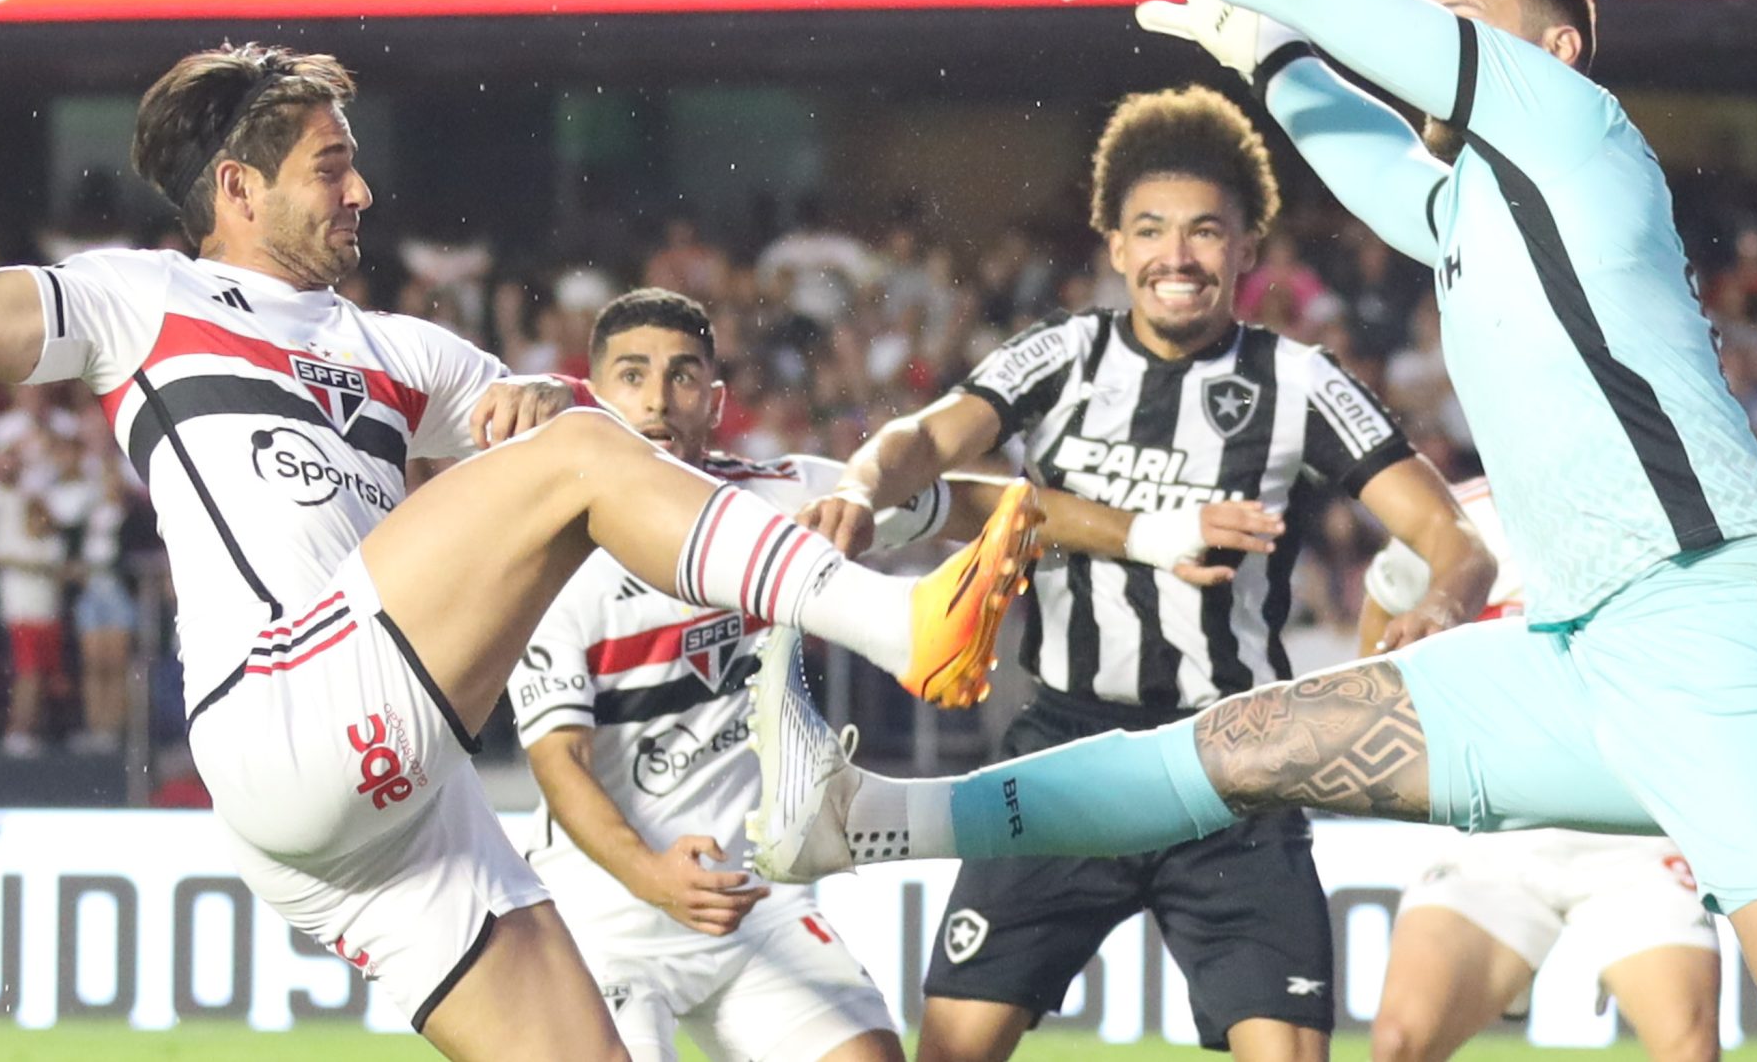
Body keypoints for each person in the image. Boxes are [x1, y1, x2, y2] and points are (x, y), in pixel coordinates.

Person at [748, 0, 1757, 1062]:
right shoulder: (1467, 212)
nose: (1424, 33)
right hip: (1571, 650)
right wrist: (1260, 50)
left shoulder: (1575, 129)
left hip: (1715, 626)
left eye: (1457, 19)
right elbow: (1358, 147)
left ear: (1547, 54)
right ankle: (864, 816)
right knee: (1242, 749)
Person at [0, 0, 1032, 1062]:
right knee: (575, 461)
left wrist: (545, 398)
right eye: (330, 167)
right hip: (283, 702)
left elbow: (593, 432)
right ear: (237, 186)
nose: (360, 190)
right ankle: (895, 622)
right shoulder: (142, 297)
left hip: (394, 807)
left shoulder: (394, 349)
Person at [799, 88, 1492, 1062]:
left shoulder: (1300, 381)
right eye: (1151, 230)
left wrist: (1440, 601)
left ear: (1248, 248)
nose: (1178, 254)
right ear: (1114, 245)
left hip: (1235, 764)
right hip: (1062, 754)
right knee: (951, 1052)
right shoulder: (1062, 354)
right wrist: (865, 486)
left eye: (1206, 231)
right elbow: (926, 439)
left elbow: (1451, 535)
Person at [518, 287, 1290, 1062]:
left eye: (683, 375)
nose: (658, 398)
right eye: (633, 374)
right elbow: (561, 764)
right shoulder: (553, 558)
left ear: (716, 399)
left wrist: (1150, 535)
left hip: (753, 906)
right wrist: (651, 876)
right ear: (594, 390)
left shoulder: (786, 498)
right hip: (603, 912)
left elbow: (989, 509)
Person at [1362, 479, 1720, 1062]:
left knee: (1689, 1048)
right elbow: (1380, 629)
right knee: (1399, 1043)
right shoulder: (1459, 514)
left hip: (1634, 839)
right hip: (1495, 836)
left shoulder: (1662, 504)